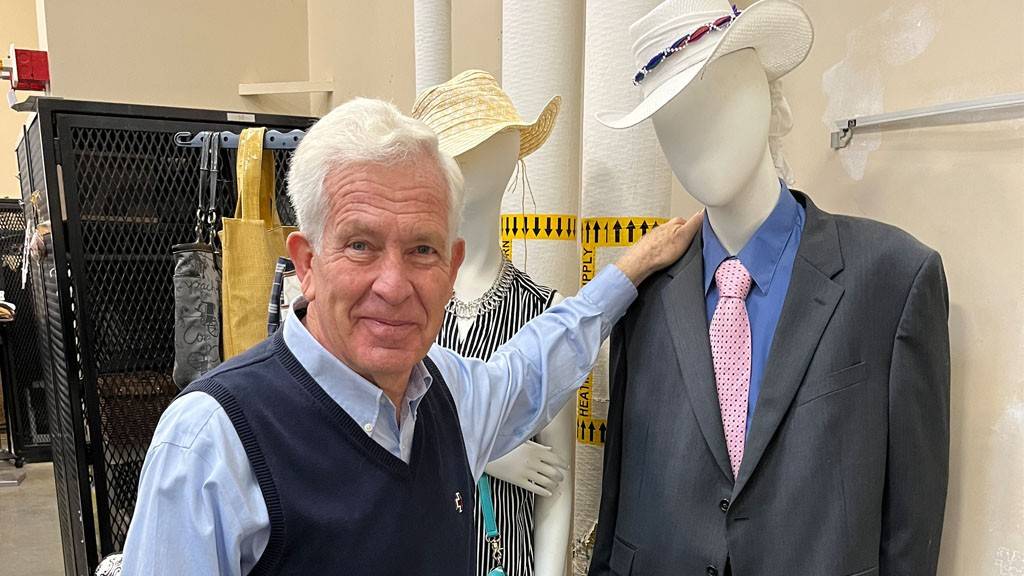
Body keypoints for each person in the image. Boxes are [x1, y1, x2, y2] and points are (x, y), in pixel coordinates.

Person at [118, 97, 702, 575]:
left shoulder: (449, 393)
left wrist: (629, 271)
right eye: (361, 245)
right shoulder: (211, 444)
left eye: (422, 250)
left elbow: (534, 365)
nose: (394, 286)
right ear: (307, 263)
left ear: (451, 267)